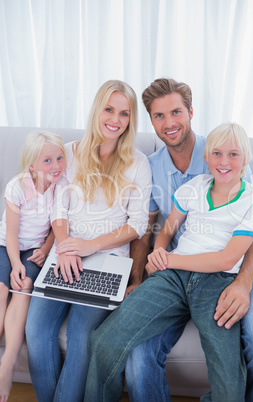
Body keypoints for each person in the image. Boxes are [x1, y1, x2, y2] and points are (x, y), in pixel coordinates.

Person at [84, 122, 253, 402]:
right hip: (172, 278)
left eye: (233, 154)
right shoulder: (195, 187)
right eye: (217, 153)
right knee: (104, 340)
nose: (224, 161)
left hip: (218, 283)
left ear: (246, 158)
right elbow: (166, 229)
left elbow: (227, 258)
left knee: (228, 382)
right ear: (206, 157)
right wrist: (158, 251)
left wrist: (170, 259)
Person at [124, 78, 253, 402]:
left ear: (190, 112)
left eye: (176, 112)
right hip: (177, 268)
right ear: (151, 121)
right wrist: (142, 274)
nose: (169, 123)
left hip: (231, 268)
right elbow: (150, 229)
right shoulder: (151, 167)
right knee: (138, 354)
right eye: (159, 116)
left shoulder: (222, 150)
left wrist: (244, 282)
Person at [25, 80, 152, 402]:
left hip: (108, 260)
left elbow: (137, 224)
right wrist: (66, 245)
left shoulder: (138, 162)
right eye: (109, 109)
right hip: (65, 252)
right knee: (36, 332)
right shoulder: (67, 152)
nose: (115, 119)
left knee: (82, 337)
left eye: (124, 113)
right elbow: (59, 206)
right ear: (97, 110)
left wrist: (90, 246)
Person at [0, 131, 66, 402]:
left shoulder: (60, 187)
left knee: (25, 285)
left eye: (59, 158)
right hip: (8, 246)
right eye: (47, 161)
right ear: (32, 166)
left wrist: (47, 248)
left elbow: (57, 224)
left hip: (35, 251)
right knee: (3, 288)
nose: (56, 166)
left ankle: (8, 363)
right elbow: (12, 234)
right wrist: (15, 264)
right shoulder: (17, 186)